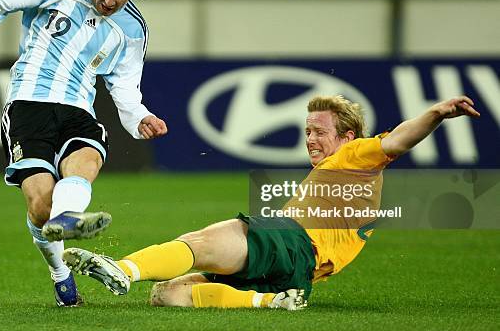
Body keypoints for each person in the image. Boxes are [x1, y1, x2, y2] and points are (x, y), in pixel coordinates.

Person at [63, 94, 479, 310]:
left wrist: (436, 114)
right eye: (307, 130)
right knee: (168, 295)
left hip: (296, 245)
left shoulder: (356, 156)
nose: (310, 138)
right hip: (299, 273)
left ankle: (123, 269)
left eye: (319, 130)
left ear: (348, 138)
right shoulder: (340, 179)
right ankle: (267, 301)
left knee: (209, 240)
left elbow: (397, 139)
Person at [0, 0, 167, 307]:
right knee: (39, 205)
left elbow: (124, 84)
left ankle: (69, 218)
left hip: (79, 109)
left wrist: (140, 116)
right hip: (28, 104)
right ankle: (61, 272)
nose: (109, 1)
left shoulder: (132, 30)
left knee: (87, 159)